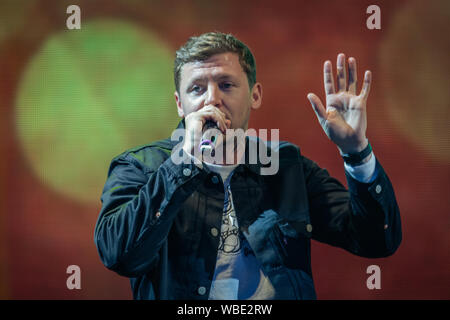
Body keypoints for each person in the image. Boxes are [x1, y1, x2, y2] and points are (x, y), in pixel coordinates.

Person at [94, 32, 402, 300]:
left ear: (255, 95)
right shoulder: (139, 166)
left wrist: (357, 152)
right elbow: (120, 256)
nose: (211, 99)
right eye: (197, 89)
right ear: (179, 103)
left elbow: (377, 240)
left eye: (226, 85)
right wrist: (185, 162)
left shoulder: (286, 167)